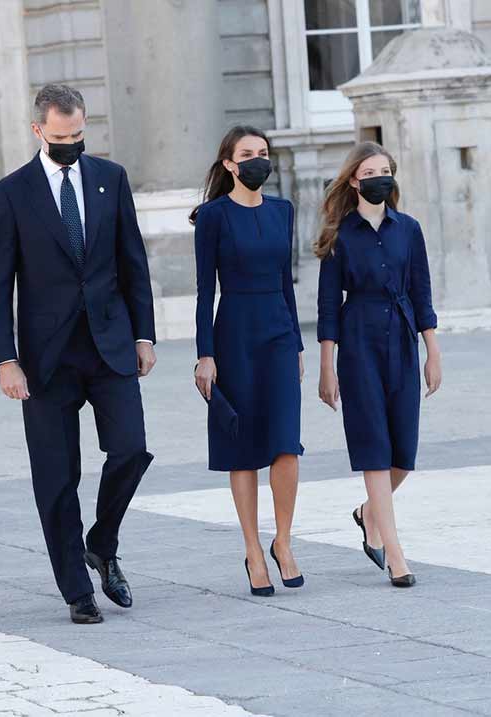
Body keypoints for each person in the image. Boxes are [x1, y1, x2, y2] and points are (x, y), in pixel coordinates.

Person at [0, 84, 156, 625]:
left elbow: (133, 262)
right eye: (61, 137)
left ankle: (101, 543)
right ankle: (77, 589)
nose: (71, 144)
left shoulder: (111, 179)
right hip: (44, 359)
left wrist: (144, 335)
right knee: (56, 476)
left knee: (131, 449)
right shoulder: (11, 193)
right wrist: (4, 359)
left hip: (110, 344)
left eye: (79, 135)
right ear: (39, 131)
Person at [315, 142, 441, 588]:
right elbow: (328, 305)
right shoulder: (340, 235)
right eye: (370, 171)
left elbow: (422, 293)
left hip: (403, 339)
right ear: (354, 180)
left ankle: (369, 513)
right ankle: (396, 553)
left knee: (403, 453)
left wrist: (433, 352)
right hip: (358, 341)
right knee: (373, 446)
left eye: (385, 170)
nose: (379, 178)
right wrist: (326, 366)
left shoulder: (409, 229)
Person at [191, 126, 306, 597]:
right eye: (247, 154)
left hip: (278, 333)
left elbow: (287, 283)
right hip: (234, 334)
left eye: (263, 153)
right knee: (241, 446)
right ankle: (253, 551)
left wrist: (298, 343)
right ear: (229, 165)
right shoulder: (214, 217)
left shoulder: (283, 210)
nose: (258, 160)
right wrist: (205, 355)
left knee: (286, 444)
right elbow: (204, 292)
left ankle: (283, 541)